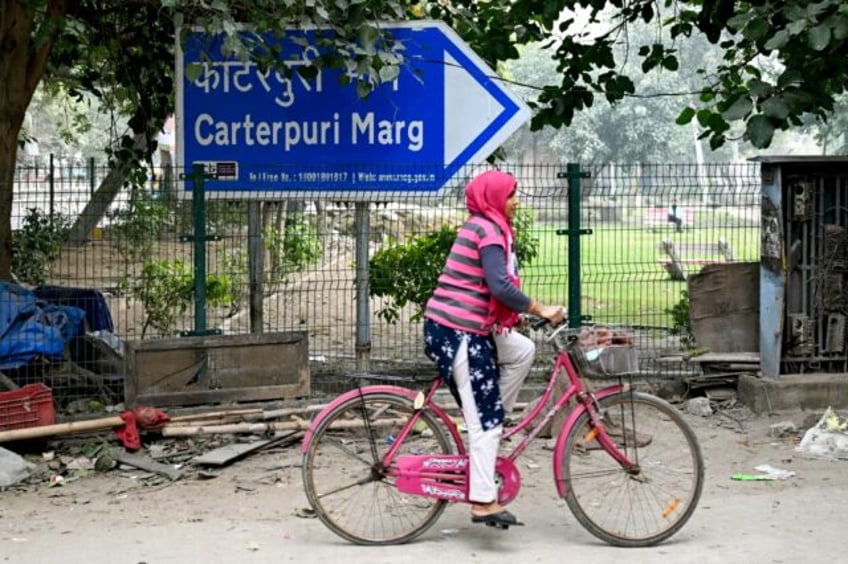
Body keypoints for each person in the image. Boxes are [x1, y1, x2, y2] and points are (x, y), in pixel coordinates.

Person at [423, 169, 565, 528]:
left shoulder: (486, 225)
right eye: (512, 194)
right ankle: (483, 500)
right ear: (495, 197)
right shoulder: (487, 230)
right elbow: (499, 286)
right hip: (457, 333)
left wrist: (515, 317)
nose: (517, 201)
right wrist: (540, 308)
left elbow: (489, 290)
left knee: (520, 350)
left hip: (468, 327)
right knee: (484, 421)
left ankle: (490, 424)